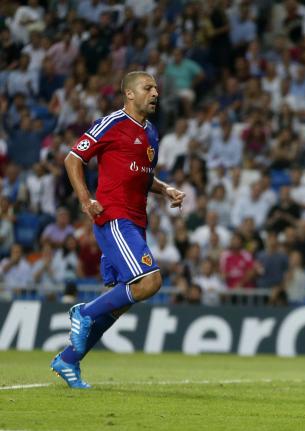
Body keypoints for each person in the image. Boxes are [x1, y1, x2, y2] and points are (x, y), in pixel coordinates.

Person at [50, 71, 185, 389]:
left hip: (137, 222)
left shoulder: (151, 132)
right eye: (147, 88)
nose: (155, 92)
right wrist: (86, 199)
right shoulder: (111, 123)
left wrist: (165, 190)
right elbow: (73, 158)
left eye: (156, 88)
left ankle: (68, 360)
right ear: (129, 94)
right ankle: (83, 312)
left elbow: (142, 176)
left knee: (125, 299)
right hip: (114, 217)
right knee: (150, 281)